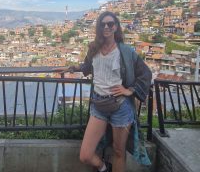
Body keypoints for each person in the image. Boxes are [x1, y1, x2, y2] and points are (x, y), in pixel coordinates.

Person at [56, 11, 152, 172]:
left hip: (121, 106)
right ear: (99, 27)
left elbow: (146, 73)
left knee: (118, 151)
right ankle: (103, 167)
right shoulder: (94, 48)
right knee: (85, 155)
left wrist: (130, 90)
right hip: (98, 105)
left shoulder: (125, 52)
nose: (106, 27)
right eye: (102, 24)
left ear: (116, 27)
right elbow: (87, 66)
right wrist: (70, 67)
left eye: (110, 24)